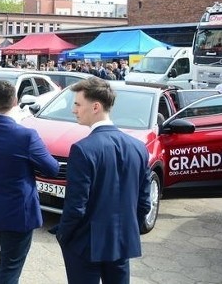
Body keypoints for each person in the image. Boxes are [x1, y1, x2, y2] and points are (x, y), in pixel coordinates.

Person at [53, 77, 150, 284]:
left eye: (78, 104)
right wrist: (129, 230)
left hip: (86, 244)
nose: (74, 110)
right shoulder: (138, 147)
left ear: (95, 106)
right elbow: (144, 202)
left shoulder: (83, 149)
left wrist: (64, 235)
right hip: (121, 242)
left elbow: (76, 206)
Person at [0, 80, 59, 284]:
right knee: (9, 268)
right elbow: (51, 168)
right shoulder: (26, 136)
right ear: (16, 102)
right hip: (18, 213)